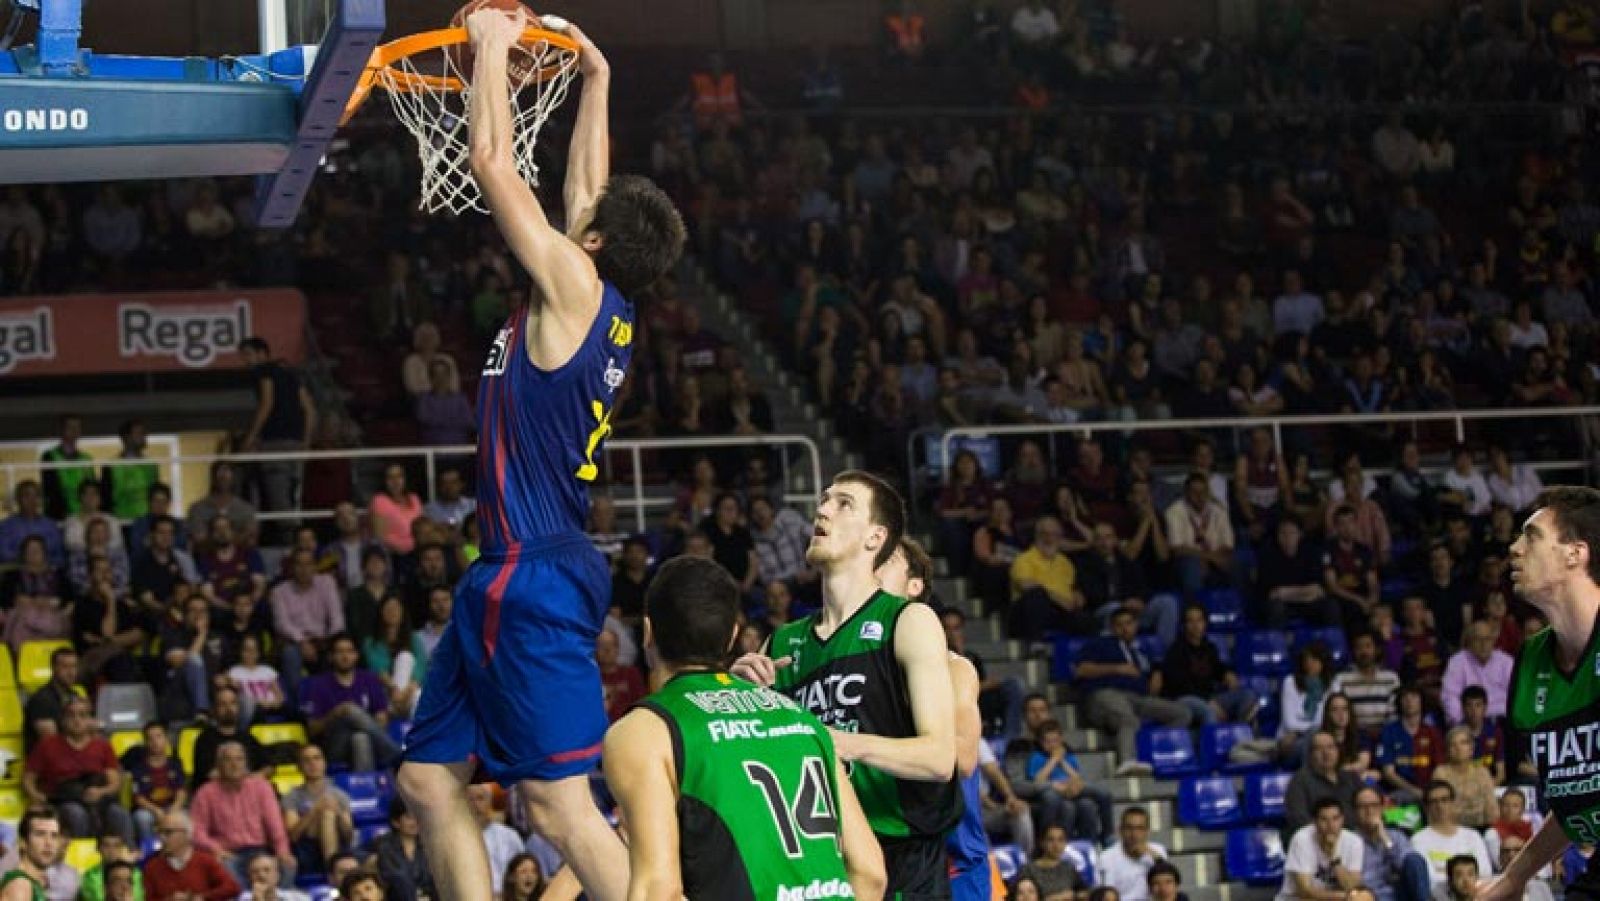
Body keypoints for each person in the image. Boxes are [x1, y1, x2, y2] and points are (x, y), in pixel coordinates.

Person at [397, 11, 686, 901]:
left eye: (583, 223)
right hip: (516, 571)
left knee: (559, 808)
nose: (573, 217)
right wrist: (596, 78)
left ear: (591, 245)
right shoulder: (605, 304)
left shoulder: (572, 285)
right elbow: (586, 190)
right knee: (427, 778)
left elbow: (490, 164)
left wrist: (487, 45)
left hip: (534, 575)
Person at [732, 471, 960, 897]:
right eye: (823, 500)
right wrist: (741, 695)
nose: (822, 509)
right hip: (817, 859)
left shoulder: (906, 620)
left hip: (901, 857)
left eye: (843, 504)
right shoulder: (782, 642)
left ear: (876, 537)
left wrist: (835, 742)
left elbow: (939, 757)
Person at [605, 555, 885, 900]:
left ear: (647, 632)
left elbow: (657, 890)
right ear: (732, 637)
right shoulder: (800, 718)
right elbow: (871, 874)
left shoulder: (645, 731)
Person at [1479, 487, 1600, 901]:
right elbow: (1576, 796)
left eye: (1531, 536)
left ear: (1575, 553)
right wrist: (1513, 879)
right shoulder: (1531, 661)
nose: (1514, 548)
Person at [1074, 606, 1193, 776]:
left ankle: (1156, 752)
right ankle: (1127, 762)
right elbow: (1081, 670)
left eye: (1129, 623)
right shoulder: (1100, 644)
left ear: (1136, 625)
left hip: (1137, 698)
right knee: (1128, 720)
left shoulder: (1139, 652)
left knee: (1182, 713)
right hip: (1104, 694)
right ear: (1112, 628)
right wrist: (1117, 668)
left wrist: (1156, 673)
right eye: (1119, 625)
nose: (1125, 628)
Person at [22, 697, 132, 843]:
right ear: (63, 720)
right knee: (76, 813)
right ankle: (81, 858)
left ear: (90, 720)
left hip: (98, 800)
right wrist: (38, 798)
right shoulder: (47, 745)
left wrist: (100, 792)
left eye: (82, 715)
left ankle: (128, 857)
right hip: (62, 801)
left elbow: (115, 783)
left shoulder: (102, 746)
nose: (77, 720)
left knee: (120, 814)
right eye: (71, 715)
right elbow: (28, 779)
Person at [188, 742, 294, 887]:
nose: (234, 764)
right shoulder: (205, 793)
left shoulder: (261, 787)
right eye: (228, 760)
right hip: (227, 854)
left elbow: (275, 825)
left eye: (239, 759)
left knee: (288, 865)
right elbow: (196, 831)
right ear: (219, 765)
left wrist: (282, 851)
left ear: (246, 763)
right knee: (224, 867)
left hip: (259, 850)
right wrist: (216, 849)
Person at [239, 335, 316, 531]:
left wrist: (250, 437)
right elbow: (309, 410)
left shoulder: (263, 371)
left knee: (280, 498)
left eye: (248, 354)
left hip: (275, 442)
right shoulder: (290, 374)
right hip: (296, 443)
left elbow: (267, 403)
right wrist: (305, 444)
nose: (245, 360)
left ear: (262, 354)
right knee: (294, 496)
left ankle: (291, 541)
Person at [281, 744, 353, 876]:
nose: (313, 764)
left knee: (329, 814)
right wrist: (315, 810)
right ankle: (333, 870)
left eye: (317, 758)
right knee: (326, 814)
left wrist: (338, 813)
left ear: (324, 763)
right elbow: (293, 836)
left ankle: (332, 866)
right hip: (307, 851)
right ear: (299, 767)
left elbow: (348, 835)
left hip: (338, 847)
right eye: (307, 760)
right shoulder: (291, 796)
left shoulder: (339, 795)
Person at [1353, 785, 1432, 901]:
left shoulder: (1396, 836)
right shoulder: (1350, 840)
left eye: (1374, 805)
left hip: (1399, 895)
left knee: (1415, 860)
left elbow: (1406, 866)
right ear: (1354, 811)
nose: (1369, 811)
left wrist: (1384, 838)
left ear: (1382, 808)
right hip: (1368, 895)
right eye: (1363, 806)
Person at [1278, 797, 1364, 901]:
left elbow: (1352, 887)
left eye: (1335, 818)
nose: (1330, 825)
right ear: (1314, 821)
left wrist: (1334, 858)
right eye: (1324, 819)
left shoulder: (1354, 842)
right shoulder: (1301, 839)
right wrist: (1345, 896)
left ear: (1342, 819)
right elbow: (1304, 892)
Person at [142, 811, 240, 901]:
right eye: (160, 833)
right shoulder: (152, 867)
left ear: (186, 834)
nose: (162, 838)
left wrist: (200, 898)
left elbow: (232, 888)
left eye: (168, 833)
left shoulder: (205, 861)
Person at [1412, 781, 1492, 887]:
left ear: (1453, 803)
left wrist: (1443, 870)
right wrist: (1467, 874)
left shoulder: (1472, 836)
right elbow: (1430, 878)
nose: (1439, 806)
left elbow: (1485, 873)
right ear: (1427, 807)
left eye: (1444, 800)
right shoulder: (1418, 839)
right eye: (1434, 801)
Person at [1286, 731, 1366, 834]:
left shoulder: (1351, 777)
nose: (1326, 752)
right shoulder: (1299, 782)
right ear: (1310, 754)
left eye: (1330, 747)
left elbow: (1367, 803)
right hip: (1321, 840)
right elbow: (1299, 820)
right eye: (1319, 748)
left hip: (1357, 837)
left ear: (1337, 751)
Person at [122, 721, 186, 845]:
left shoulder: (175, 764)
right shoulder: (138, 768)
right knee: (142, 818)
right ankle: (150, 851)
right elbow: (138, 798)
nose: (155, 742)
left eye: (159, 736)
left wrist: (175, 808)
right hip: (149, 809)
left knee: (184, 816)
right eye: (150, 738)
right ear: (146, 742)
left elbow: (181, 791)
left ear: (166, 739)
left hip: (171, 806)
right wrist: (156, 811)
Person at [368, 797, 433, 901]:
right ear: (395, 822)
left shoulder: (431, 844)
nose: (415, 821)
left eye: (418, 816)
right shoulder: (381, 846)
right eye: (409, 817)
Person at [1100, 807, 1167, 901]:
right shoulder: (1107, 857)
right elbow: (1108, 895)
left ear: (1147, 831)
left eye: (1140, 828)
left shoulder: (1157, 851)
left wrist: (1151, 854)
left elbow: (1167, 881)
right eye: (1129, 828)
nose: (1134, 834)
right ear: (1120, 830)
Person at [1014, 825, 1087, 901]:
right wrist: (1055, 898)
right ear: (1042, 843)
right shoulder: (1028, 870)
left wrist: (1076, 895)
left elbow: (1083, 891)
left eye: (1061, 840)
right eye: (1051, 840)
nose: (1056, 845)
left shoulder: (1068, 867)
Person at [238, 854, 311, 901]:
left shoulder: (298, 898)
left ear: (277, 875)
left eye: (267, 870)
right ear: (249, 877)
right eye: (255, 872)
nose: (261, 875)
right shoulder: (242, 899)